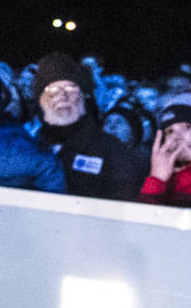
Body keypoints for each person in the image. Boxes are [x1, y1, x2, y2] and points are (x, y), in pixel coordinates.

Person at [26, 52, 148, 201]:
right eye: (52, 90)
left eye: (70, 89)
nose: (62, 97)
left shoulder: (113, 153)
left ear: (84, 96)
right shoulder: (26, 147)